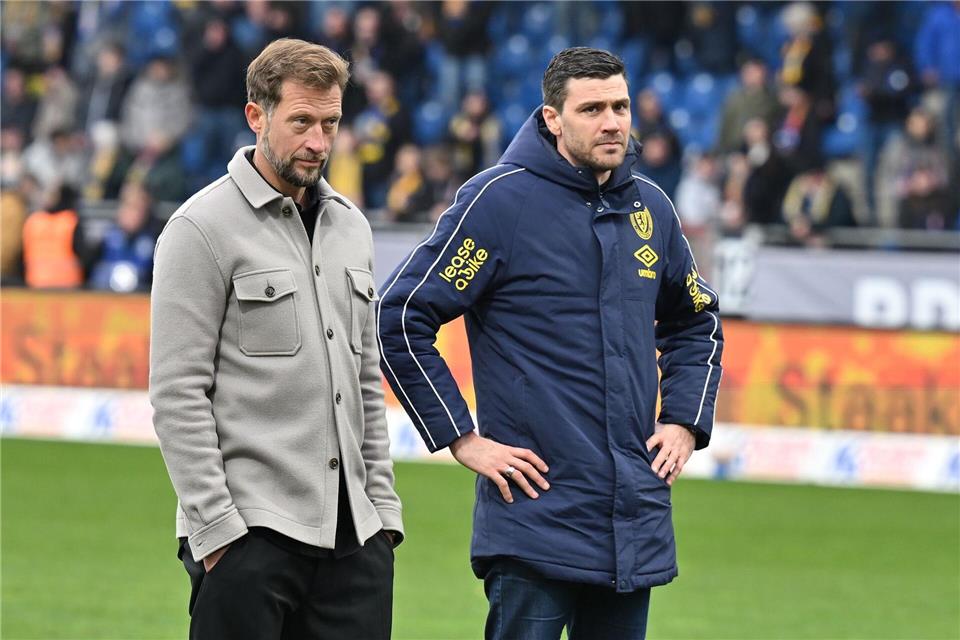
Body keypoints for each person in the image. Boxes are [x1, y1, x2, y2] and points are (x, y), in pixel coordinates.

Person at [378, 47, 723, 640]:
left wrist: (685, 422)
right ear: (552, 118)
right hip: (534, 514)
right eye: (592, 109)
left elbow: (696, 321)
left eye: (620, 105)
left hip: (629, 520)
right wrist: (462, 439)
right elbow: (401, 315)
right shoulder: (498, 203)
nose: (612, 121)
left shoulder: (653, 208)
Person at [150, 38, 402, 640]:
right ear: (255, 116)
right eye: (302, 122)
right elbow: (177, 393)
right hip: (248, 541)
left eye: (331, 123)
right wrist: (217, 536)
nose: (319, 141)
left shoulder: (353, 229)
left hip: (355, 545)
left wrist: (384, 515)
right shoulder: (198, 229)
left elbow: (366, 379)